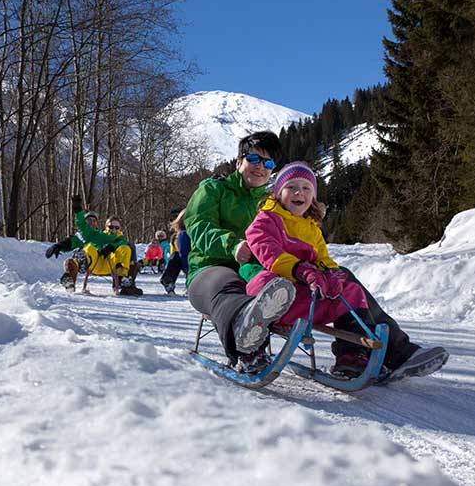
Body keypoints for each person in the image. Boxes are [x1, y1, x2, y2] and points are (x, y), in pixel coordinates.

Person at [244, 161, 448, 380]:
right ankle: (259, 323)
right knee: (269, 281)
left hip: (305, 299)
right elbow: (268, 252)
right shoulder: (266, 219)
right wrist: (301, 270)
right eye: (291, 186)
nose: (298, 192)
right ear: (277, 193)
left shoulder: (312, 229)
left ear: (313, 196)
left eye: (306, 188)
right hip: (272, 298)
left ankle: (352, 358)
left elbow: (324, 260)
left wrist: (332, 275)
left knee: (351, 291)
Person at [184, 131, 297, 373]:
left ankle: (381, 346)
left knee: (329, 279)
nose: (260, 168)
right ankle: (247, 347)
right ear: (239, 162)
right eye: (254, 159)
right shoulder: (213, 189)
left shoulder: (270, 204)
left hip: (254, 270)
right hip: (209, 269)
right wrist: (232, 245)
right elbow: (199, 227)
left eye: (268, 163)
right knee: (229, 285)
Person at [45, 210, 101, 292]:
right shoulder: (80, 236)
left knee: (88, 249)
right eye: (89, 220)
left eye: (94, 221)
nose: (91, 223)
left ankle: (124, 283)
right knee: (70, 262)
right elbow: (70, 243)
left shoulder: (101, 235)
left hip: (98, 263)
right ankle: (70, 284)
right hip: (83, 262)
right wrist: (58, 246)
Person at [160, 209, 189, 295]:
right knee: (175, 256)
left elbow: (184, 254)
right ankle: (168, 280)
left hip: (192, 263)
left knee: (177, 256)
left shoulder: (183, 234)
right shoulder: (177, 236)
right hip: (187, 261)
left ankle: (168, 280)